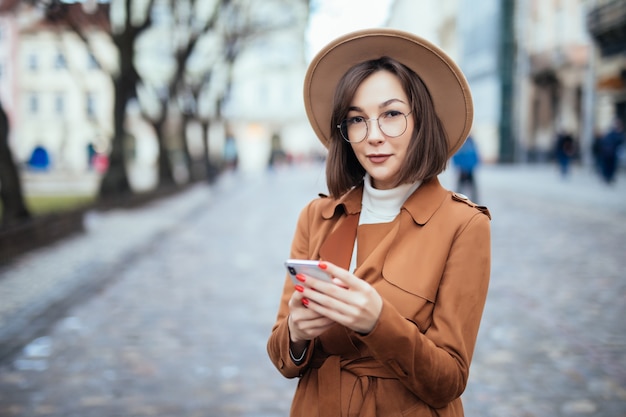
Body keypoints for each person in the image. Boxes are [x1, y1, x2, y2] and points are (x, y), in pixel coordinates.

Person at [267, 28, 491, 417]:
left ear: (421, 119)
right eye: (357, 120)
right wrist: (297, 334)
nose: (373, 136)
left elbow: (449, 380)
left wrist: (378, 322)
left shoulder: (463, 224)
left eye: (390, 114)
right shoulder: (316, 217)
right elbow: (281, 356)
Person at [451, 134, 480, 201]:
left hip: (470, 170)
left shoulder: (472, 144)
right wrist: (461, 167)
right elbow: (456, 157)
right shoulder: (460, 145)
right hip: (462, 170)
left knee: (473, 189)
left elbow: (475, 157)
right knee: (459, 189)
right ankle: (457, 201)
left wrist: (470, 167)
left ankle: (475, 202)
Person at [598, 118, 624, 184]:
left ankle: (609, 177)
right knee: (607, 166)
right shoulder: (611, 133)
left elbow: (620, 142)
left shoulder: (619, 134)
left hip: (612, 153)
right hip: (608, 153)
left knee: (611, 166)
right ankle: (607, 177)